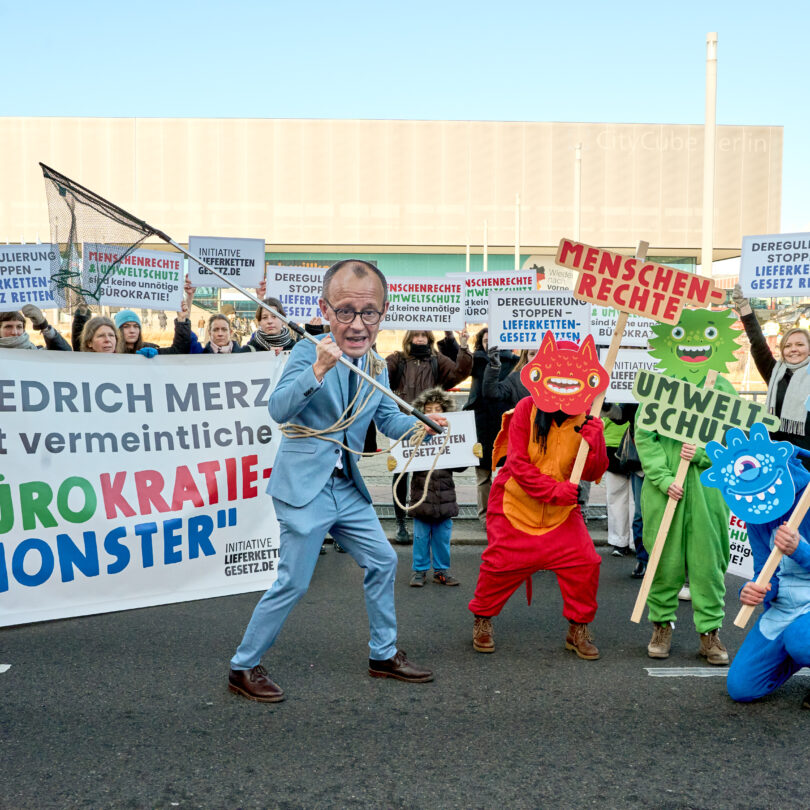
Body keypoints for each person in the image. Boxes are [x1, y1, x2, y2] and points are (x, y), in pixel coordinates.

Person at [228, 259, 442, 703]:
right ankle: (243, 666)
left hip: (346, 488)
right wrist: (319, 370)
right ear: (325, 309)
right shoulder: (308, 350)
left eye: (369, 313)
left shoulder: (378, 366)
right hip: (305, 488)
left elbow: (385, 418)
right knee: (294, 582)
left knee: (383, 561)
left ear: (383, 313)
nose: (357, 324)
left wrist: (421, 425)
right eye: (345, 311)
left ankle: (382, 655)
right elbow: (279, 410)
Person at [468, 398, 608, 660]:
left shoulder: (586, 413)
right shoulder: (526, 408)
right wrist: (555, 490)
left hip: (561, 510)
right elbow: (518, 464)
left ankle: (578, 628)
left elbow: (591, 472)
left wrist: (596, 442)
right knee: (498, 564)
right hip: (516, 505)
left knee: (585, 562)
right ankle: (482, 618)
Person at [635, 425, 732, 665]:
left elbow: (734, 442)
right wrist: (662, 478)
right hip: (664, 492)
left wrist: (703, 454)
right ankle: (661, 625)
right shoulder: (659, 387)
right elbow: (645, 435)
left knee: (709, 564)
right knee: (663, 563)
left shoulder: (723, 389)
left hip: (709, 491)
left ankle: (710, 632)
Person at [727, 451, 810, 709]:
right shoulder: (756, 510)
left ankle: (799, 646)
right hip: (783, 610)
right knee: (741, 687)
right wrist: (754, 590)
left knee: (801, 640)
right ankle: (793, 651)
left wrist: (801, 550)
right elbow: (766, 571)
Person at [386, 329, 472, 545]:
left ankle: (425, 519)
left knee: (429, 474)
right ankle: (400, 522)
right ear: (409, 338)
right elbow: (378, 372)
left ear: (430, 338)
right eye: (416, 335)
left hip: (432, 425)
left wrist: (460, 345)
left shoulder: (437, 360)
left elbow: (459, 373)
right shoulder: (398, 359)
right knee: (401, 474)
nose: (420, 339)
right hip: (403, 425)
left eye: (424, 335)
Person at [732, 284, 810, 463]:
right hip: (778, 458)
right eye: (788, 346)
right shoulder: (776, 374)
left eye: (799, 344)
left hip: (807, 459)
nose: (793, 350)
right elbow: (758, 344)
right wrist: (744, 307)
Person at [406, 387, 464, 588]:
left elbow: (460, 466)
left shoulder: (451, 435)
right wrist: (395, 462)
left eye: (437, 408)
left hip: (445, 499)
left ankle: (441, 570)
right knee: (421, 538)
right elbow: (405, 459)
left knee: (442, 539)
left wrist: (472, 453)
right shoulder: (415, 434)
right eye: (428, 408)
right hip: (422, 498)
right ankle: (419, 571)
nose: (433, 411)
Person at [464, 328, 519, 526]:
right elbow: (460, 366)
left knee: (508, 472)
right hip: (482, 422)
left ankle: (506, 513)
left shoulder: (513, 362)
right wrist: (461, 345)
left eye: (493, 340)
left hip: (506, 421)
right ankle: (485, 516)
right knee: (483, 473)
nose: (490, 345)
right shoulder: (477, 360)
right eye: (486, 341)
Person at [245, 296, 324, 353]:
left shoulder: (295, 348)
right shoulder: (248, 350)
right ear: (259, 322)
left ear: (283, 320)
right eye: (265, 317)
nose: (269, 321)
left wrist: (313, 333)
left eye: (274, 316)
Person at [0, 305, 71, 351]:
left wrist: (44, 326)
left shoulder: (36, 353)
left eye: (19, 327)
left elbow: (66, 354)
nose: (14, 332)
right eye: (8, 327)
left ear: (24, 329)